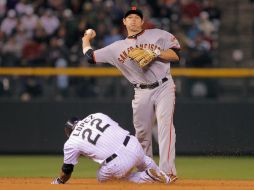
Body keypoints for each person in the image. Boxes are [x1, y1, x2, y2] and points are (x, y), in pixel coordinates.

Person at [82, 6, 180, 180]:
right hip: (141, 91)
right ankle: (148, 173)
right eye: (130, 17)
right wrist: (86, 38)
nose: (133, 19)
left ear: (142, 21)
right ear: (124, 22)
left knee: (165, 125)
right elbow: (90, 57)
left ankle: (168, 171)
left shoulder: (158, 34)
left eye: (137, 17)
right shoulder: (116, 48)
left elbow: (175, 55)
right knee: (142, 134)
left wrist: (156, 52)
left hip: (164, 85)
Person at [51, 113, 172, 184]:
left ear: (69, 132)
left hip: (118, 162)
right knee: (142, 159)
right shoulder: (96, 115)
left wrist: (59, 181)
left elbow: (66, 172)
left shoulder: (71, 141)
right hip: (133, 143)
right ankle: (163, 176)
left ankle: (145, 176)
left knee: (102, 178)